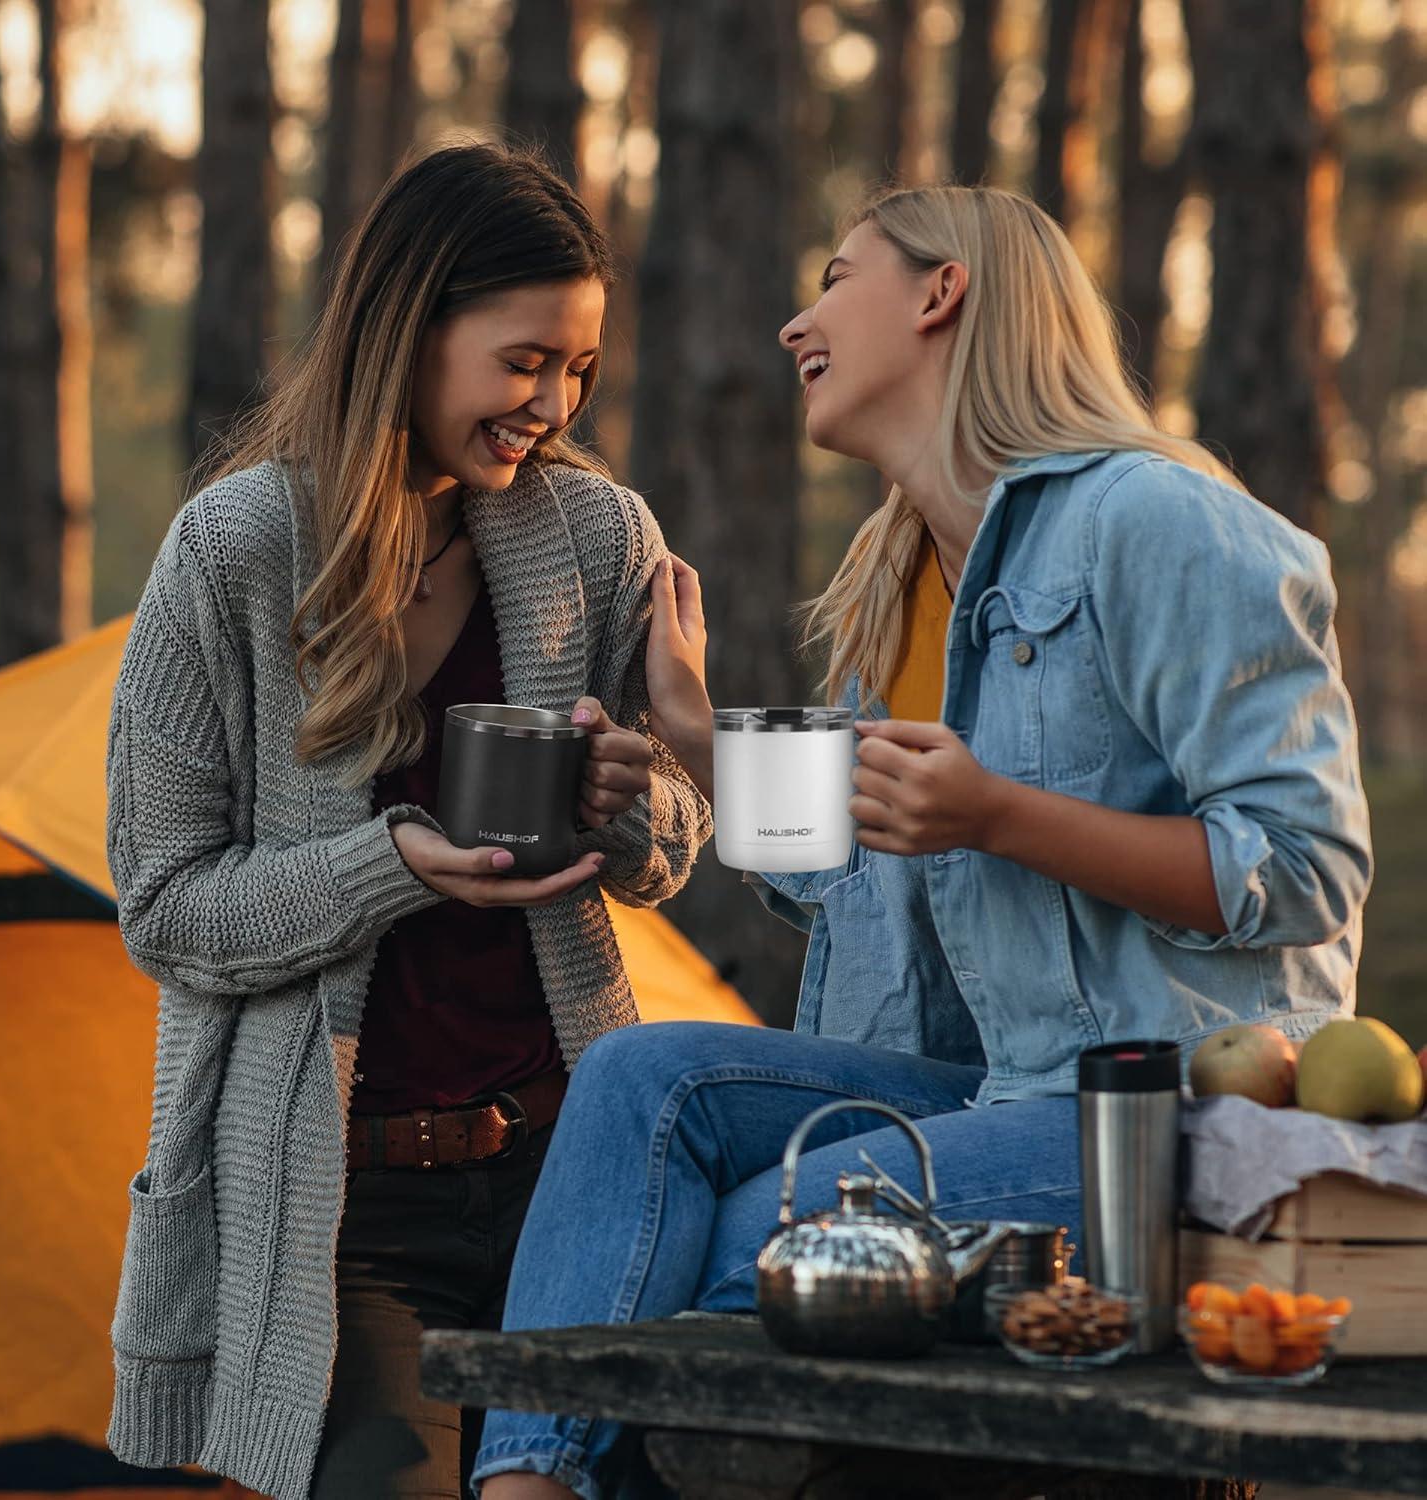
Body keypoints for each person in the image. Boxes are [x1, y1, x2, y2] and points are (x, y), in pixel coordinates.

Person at [470, 184, 1373, 1500]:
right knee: (634, 1081)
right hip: (971, 1094)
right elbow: (845, 863)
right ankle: (524, 1490)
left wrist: (1002, 816)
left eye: (835, 279)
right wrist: (695, 732)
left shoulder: (1160, 522)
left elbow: (1304, 867)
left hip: (1146, 1125)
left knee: (732, 1239)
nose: (793, 323)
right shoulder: (903, 574)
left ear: (941, 292)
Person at [102, 144, 710, 1500]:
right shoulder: (235, 553)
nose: (552, 405)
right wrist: (390, 867)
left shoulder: (596, 539)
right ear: (412, 327)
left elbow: (671, 847)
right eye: (524, 361)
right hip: (345, 1209)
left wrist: (632, 799)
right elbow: (166, 904)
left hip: (572, 1172)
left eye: (580, 371)